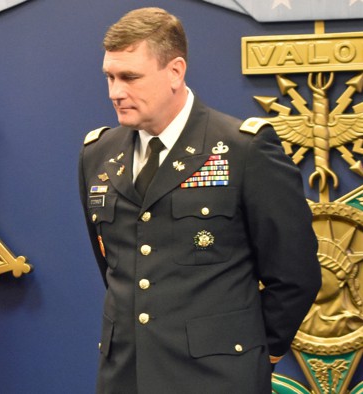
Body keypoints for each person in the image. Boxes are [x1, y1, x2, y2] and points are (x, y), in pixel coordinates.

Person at [78, 7, 321, 393]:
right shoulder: (98, 153)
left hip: (218, 378)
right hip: (126, 375)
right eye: (109, 77)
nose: (115, 92)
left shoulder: (244, 149)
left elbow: (294, 276)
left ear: (175, 71)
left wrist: (256, 354)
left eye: (130, 77)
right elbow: (115, 265)